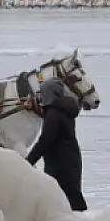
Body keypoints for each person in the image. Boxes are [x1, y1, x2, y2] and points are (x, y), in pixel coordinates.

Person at [25, 75, 87, 211]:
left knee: (66, 197)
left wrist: (27, 161)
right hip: (69, 159)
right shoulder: (62, 109)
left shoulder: (54, 113)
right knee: (70, 195)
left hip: (60, 163)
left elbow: (46, 140)